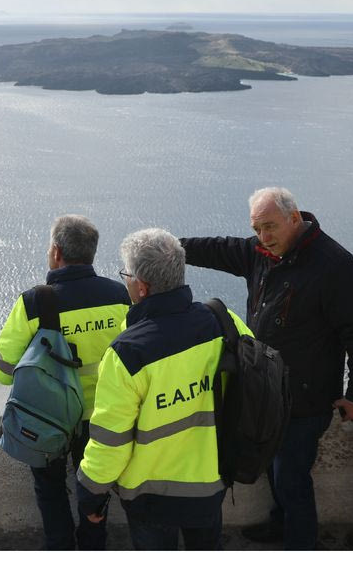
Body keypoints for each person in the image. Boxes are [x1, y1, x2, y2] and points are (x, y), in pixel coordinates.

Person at [180, 187, 353, 550]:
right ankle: (280, 526)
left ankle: (300, 543)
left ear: (294, 217)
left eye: (269, 227)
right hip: (268, 391)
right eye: (257, 229)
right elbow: (217, 248)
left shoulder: (334, 265)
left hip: (307, 399)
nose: (263, 237)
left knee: (291, 478)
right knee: (273, 466)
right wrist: (170, 247)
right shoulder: (261, 252)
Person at [75, 228, 252, 550]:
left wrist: (90, 492)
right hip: (212, 482)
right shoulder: (224, 322)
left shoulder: (127, 353)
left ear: (141, 288)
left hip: (151, 496)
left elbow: (110, 441)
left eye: (126, 275)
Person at [0, 214, 130, 550]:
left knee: (50, 486)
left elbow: (2, 371)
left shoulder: (35, 302)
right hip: (103, 417)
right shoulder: (121, 297)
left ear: (56, 252)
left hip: (50, 417)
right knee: (96, 486)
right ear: (92, 253)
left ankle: (60, 545)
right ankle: (94, 545)